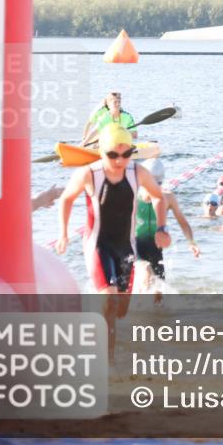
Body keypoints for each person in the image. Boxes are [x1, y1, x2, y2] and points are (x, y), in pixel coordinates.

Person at [55, 124, 167, 359]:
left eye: (126, 154)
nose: (120, 160)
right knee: (110, 301)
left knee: (121, 309)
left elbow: (158, 197)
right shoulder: (89, 174)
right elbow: (66, 199)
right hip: (98, 244)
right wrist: (63, 233)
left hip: (126, 246)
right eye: (113, 154)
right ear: (102, 151)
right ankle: (108, 363)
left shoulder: (137, 173)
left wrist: (161, 227)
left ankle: (92, 321)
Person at [134, 159, 200, 296]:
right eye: (151, 184)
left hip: (155, 249)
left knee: (158, 294)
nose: (155, 188)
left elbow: (182, 222)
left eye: (158, 184)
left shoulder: (168, 198)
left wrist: (191, 242)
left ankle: (148, 315)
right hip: (135, 246)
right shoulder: (133, 198)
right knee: (145, 272)